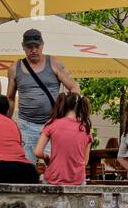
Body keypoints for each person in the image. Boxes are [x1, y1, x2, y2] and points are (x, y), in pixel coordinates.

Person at [9, 28, 80, 164]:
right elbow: (10, 98)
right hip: (25, 125)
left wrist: (69, 116)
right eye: (30, 47)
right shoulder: (14, 68)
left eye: (36, 46)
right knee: (25, 166)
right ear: (23, 46)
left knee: (54, 164)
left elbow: (74, 87)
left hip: (51, 123)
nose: (33, 50)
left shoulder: (54, 63)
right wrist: (7, 121)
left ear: (42, 45)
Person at [35, 92, 92, 186]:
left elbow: (37, 152)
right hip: (77, 180)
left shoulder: (52, 124)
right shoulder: (86, 129)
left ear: (64, 104)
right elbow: (85, 162)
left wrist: (47, 157)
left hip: (53, 178)